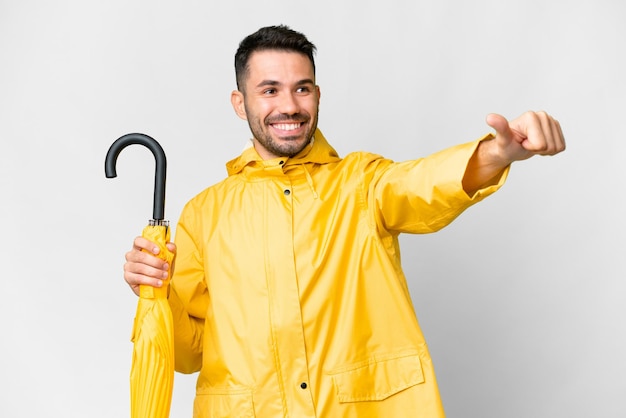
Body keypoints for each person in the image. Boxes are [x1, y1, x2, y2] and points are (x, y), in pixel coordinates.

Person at [123, 25, 565, 417]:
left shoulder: (361, 182)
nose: (290, 106)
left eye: (302, 89)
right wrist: (157, 299)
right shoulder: (204, 213)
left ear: (317, 94)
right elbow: (187, 353)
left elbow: (422, 183)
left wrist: (496, 152)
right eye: (270, 90)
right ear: (241, 103)